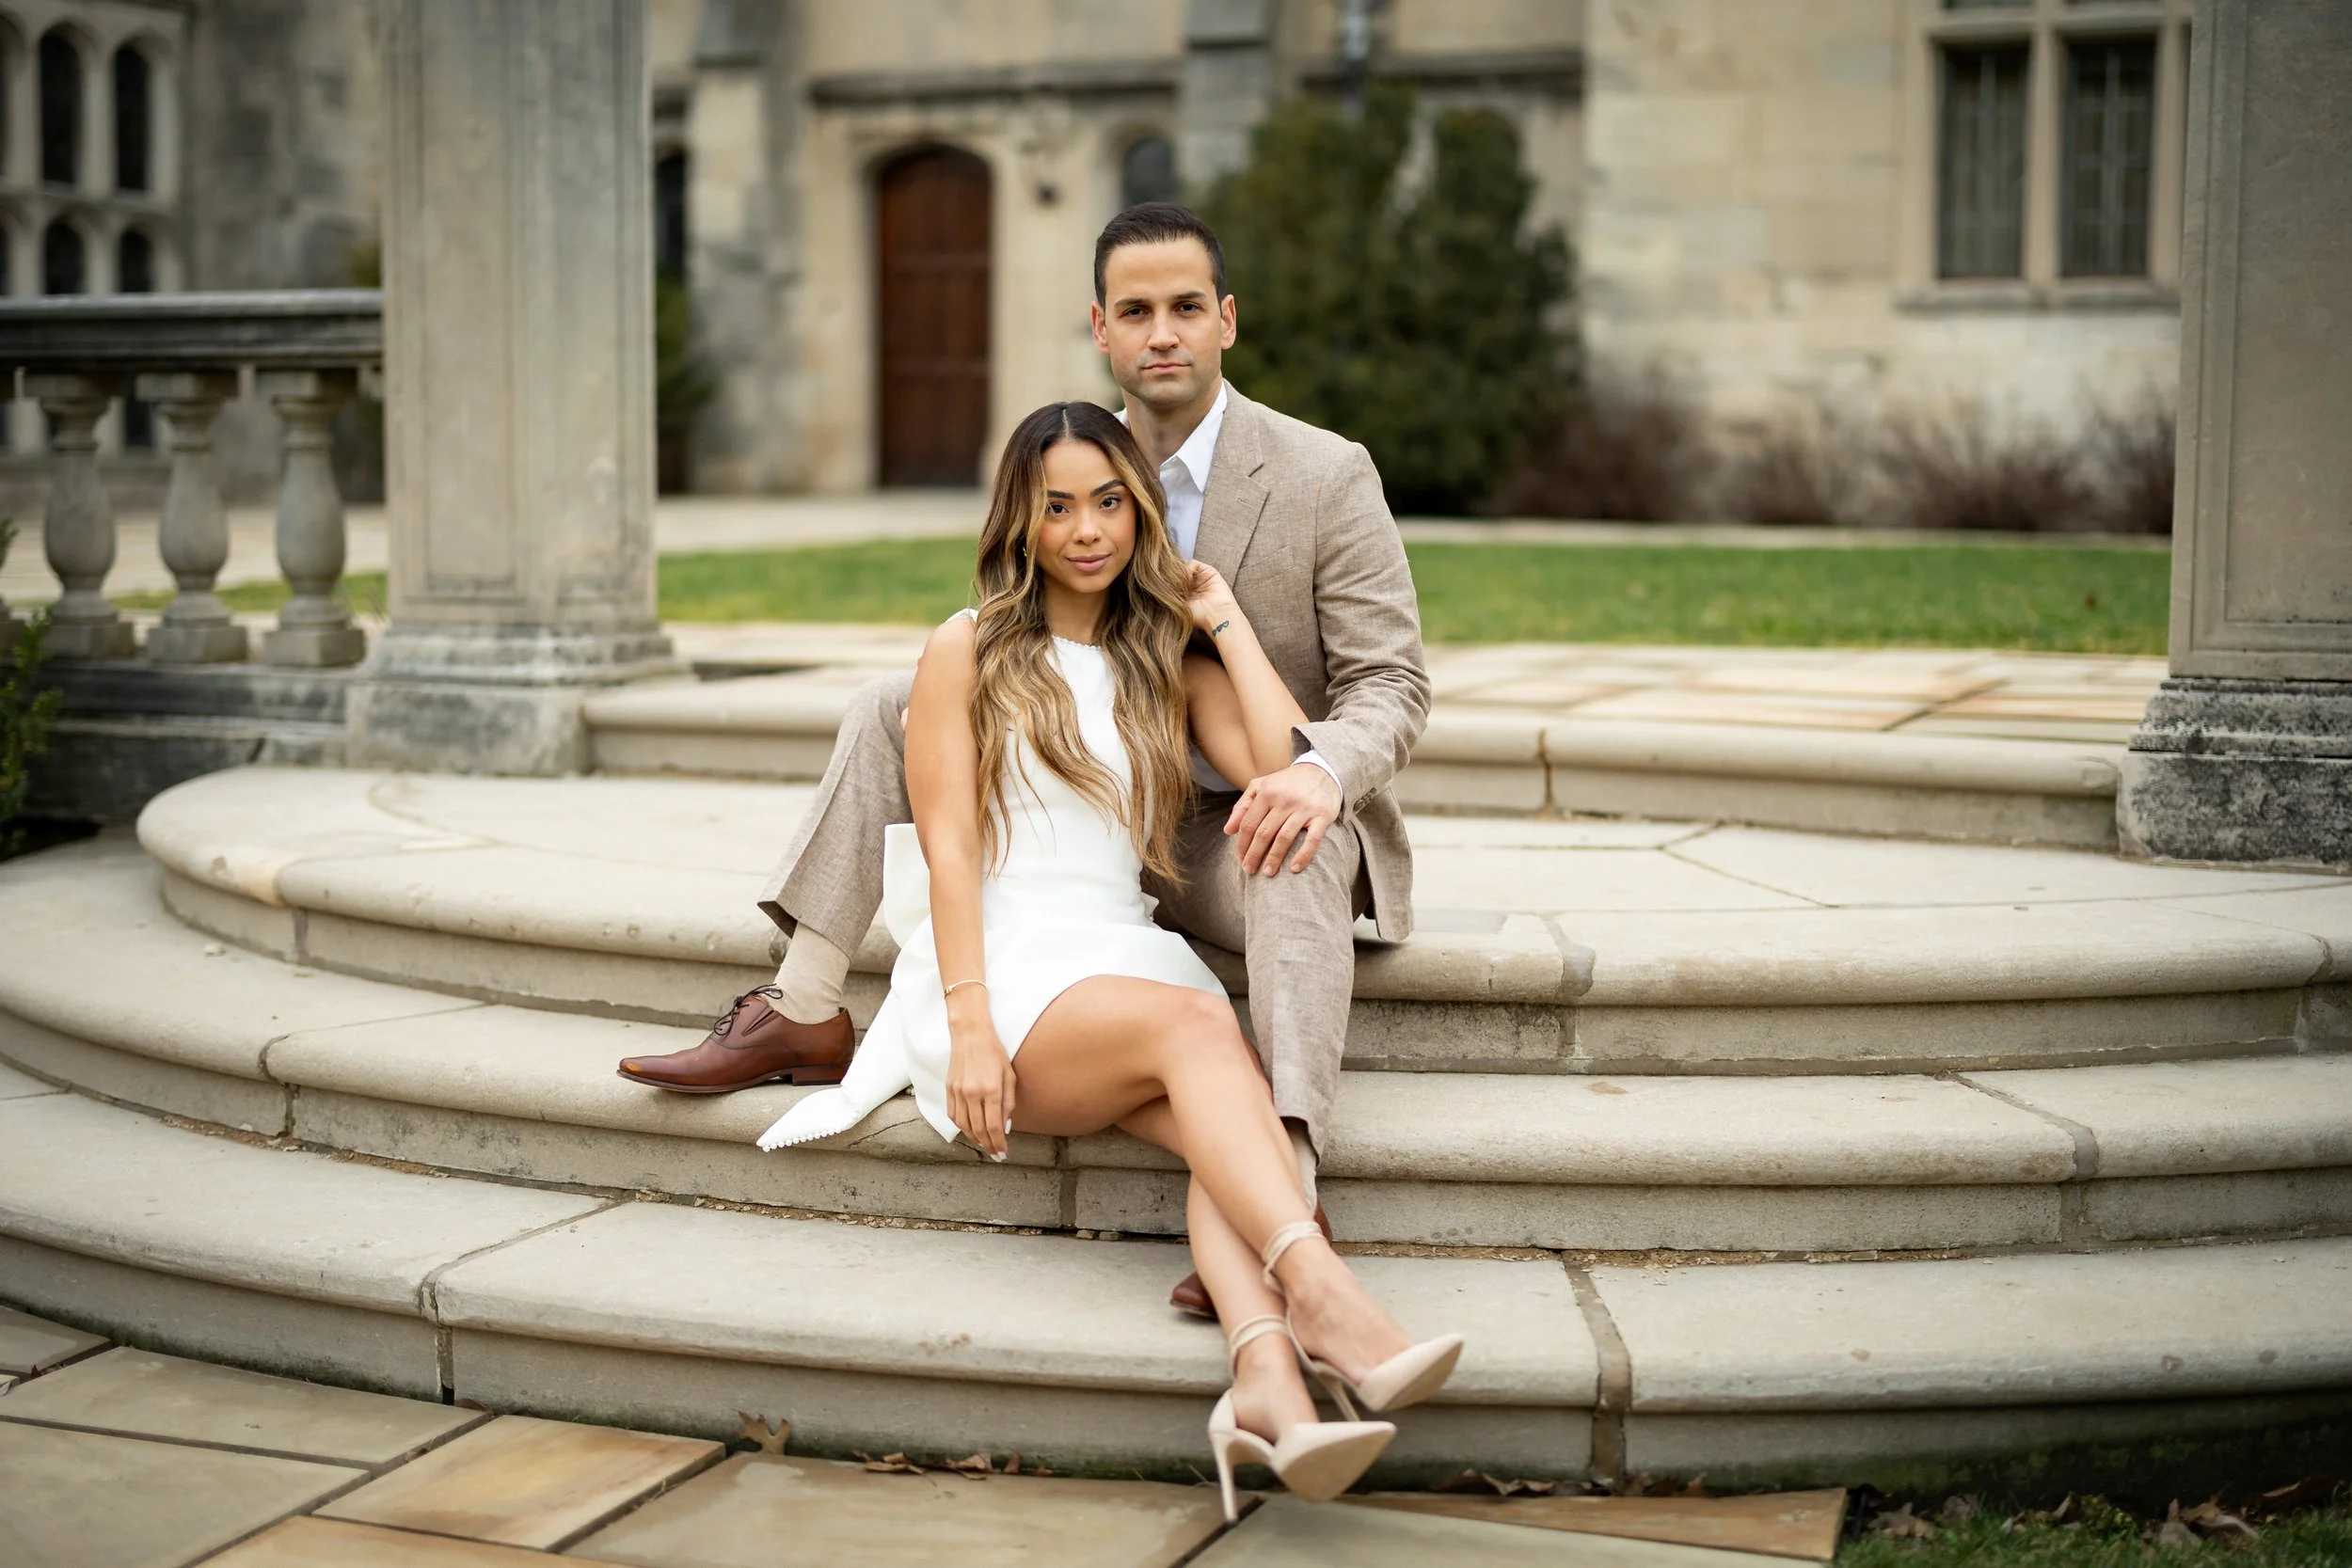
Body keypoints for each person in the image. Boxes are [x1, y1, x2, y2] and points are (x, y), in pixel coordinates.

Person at [618, 201, 1432, 1318]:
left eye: (1186, 308)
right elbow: (1020, 641)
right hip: (1103, 814)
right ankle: (804, 1000)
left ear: (1227, 320)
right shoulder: (1070, 453)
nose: (1163, 334)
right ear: (1100, 327)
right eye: (1136, 311)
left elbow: (1394, 684)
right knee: (886, 700)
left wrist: (1316, 770)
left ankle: (1286, 1173)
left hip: (1245, 802)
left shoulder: (1323, 473)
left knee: (1296, 831)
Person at [758, 401, 1461, 1514]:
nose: (1086, 528)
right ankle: (1327, 1297)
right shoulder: (969, 645)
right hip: (999, 972)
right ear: (1020, 522)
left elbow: (1285, 764)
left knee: (1223, 1129)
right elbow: (947, 850)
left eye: (1108, 501)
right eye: (1057, 507)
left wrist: (1224, 620)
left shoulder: (1161, 664)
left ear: (1139, 509)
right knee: (1204, 1035)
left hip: (1119, 961)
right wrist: (972, 1023)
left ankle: (1267, 1380)